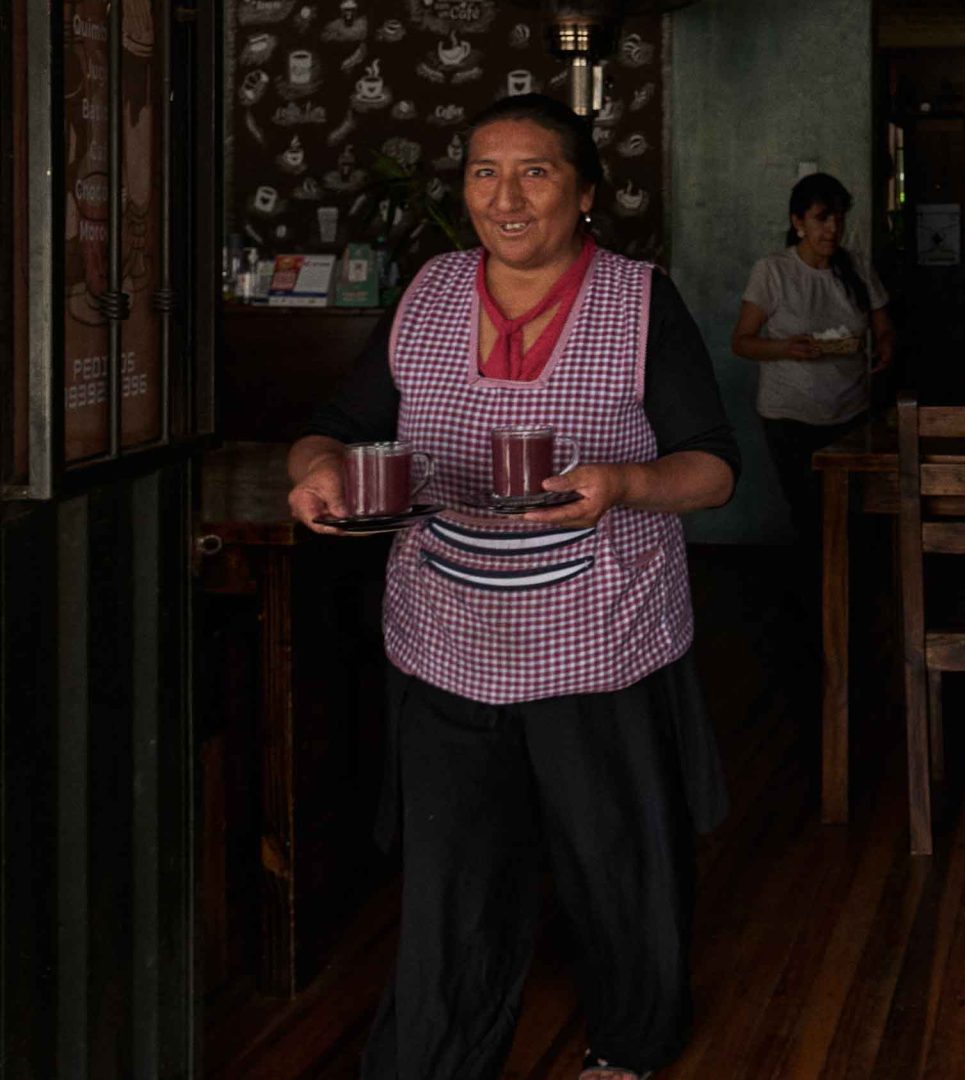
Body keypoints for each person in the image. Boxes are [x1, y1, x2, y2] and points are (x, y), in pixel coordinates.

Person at [285, 93, 737, 1080]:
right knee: (455, 873)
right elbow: (335, 421)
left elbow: (713, 468)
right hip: (448, 617)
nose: (506, 194)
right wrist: (314, 470)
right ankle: (436, 1059)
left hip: (596, 623)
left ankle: (629, 1045)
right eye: (485, 172)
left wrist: (623, 484)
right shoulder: (431, 292)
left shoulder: (638, 299)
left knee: (612, 856)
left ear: (585, 193)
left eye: (535, 171)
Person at [730, 173, 895, 552]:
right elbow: (741, 342)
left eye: (839, 218)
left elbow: (884, 327)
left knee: (853, 514)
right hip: (791, 415)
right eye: (823, 218)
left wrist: (885, 347)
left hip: (851, 411)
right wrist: (787, 348)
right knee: (809, 515)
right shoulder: (774, 271)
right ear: (798, 223)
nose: (833, 229)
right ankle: (814, 601)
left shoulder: (856, 267)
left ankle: (847, 600)